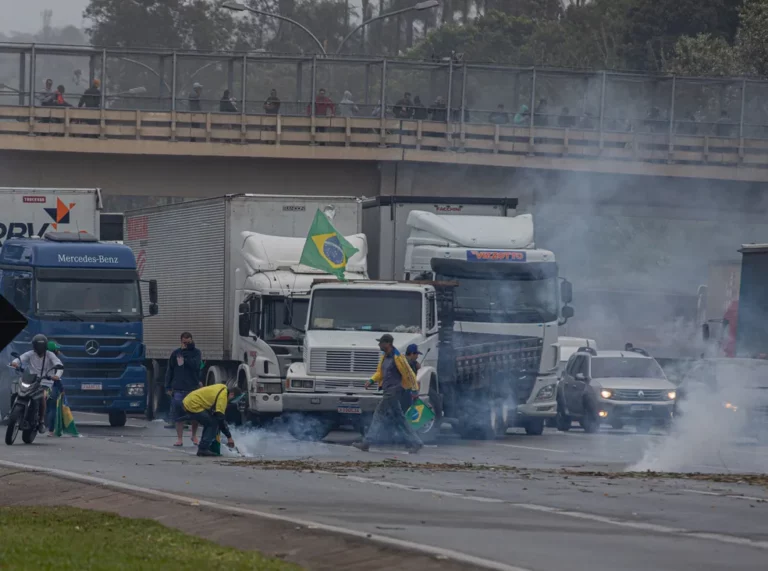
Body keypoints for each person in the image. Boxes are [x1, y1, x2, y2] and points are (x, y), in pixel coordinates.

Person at [353, 334, 422, 453]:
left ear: (388, 344)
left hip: (394, 391)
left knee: (378, 414)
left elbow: (409, 374)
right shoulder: (385, 357)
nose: (379, 345)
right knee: (400, 418)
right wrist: (371, 380)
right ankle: (416, 442)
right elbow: (380, 373)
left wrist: (415, 390)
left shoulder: (398, 358)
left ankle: (367, 443)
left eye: (381, 343)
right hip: (388, 390)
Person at [10, 334, 63, 434]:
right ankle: (13, 412)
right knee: (16, 391)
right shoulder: (30, 354)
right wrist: (15, 363)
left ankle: (41, 421)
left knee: (42, 396)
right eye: (37, 346)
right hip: (31, 380)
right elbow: (20, 358)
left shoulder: (50, 355)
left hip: (46, 382)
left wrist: (57, 375)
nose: (39, 349)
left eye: (41, 347)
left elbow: (59, 364)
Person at [165, 332, 202, 447]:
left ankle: (194, 435)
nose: (185, 344)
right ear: (181, 341)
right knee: (178, 414)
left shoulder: (196, 353)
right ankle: (179, 438)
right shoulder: (176, 354)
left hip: (192, 387)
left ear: (191, 341)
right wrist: (168, 386)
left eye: (188, 342)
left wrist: (185, 355)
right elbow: (170, 370)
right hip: (178, 388)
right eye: (184, 342)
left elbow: (195, 366)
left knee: (195, 413)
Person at [182, 383, 240, 457]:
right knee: (212, 423)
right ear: (231, 394)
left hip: (190, 400)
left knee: (209, 421)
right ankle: (203, 449)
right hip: (193, 404)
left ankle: (204, 446)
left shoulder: (223, 388)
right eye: (234, 399)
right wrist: (229, 437)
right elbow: (220, 419)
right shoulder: (223, 397)